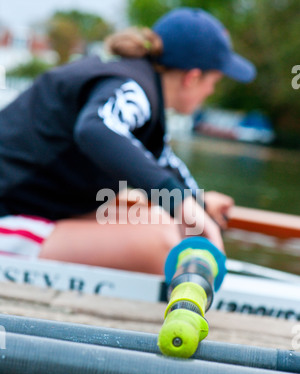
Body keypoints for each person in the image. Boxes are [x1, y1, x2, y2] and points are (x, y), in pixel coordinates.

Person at [0, 8, 255, 275]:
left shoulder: (138, 93)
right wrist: (184, 205)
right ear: (192, 78)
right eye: (213, 81)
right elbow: (95, 129)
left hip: (30, 211)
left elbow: (161, 166)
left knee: (172, 225)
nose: (212, 91)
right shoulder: (132, 88)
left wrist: (197, 204)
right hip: (8, 216)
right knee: (164, 244)